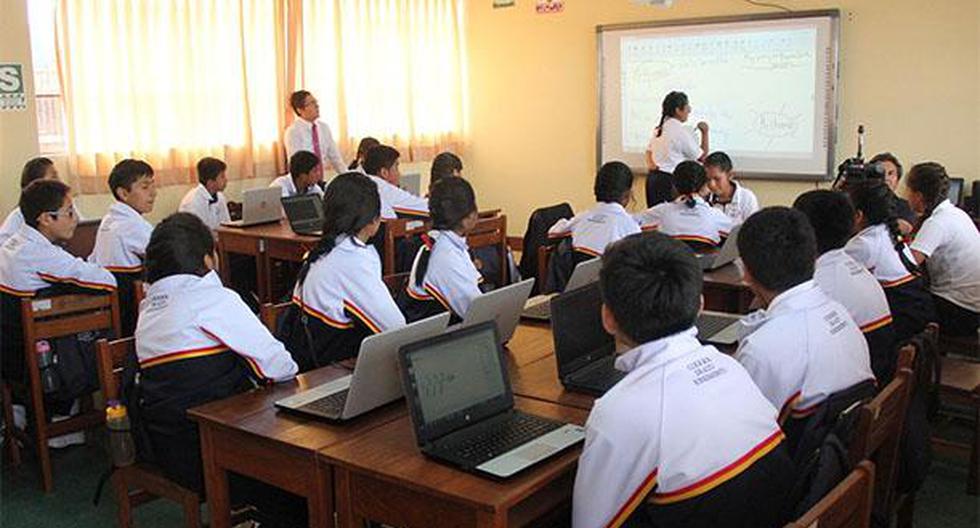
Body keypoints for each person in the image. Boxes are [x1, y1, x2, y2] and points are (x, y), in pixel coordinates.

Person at [572, 232, 793, 528]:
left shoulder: (617, 412)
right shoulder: (731, 366)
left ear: (608, 318)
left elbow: (590, 524)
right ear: (700, 305)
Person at [136, 213, 303, 525]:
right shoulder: (210, 298)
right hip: (216, 454)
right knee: (302, 475)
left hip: (166, 448)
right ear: (207, 259)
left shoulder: (148, 307)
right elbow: (280, 367)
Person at [734, 208, 874, 442]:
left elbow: (739, 434)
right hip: (836, 457)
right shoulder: (839, 311)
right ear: (814, 257)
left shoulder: (761, 350)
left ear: (746, 272)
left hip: (794, 468)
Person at [280, 173, 406, 370]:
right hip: (326, 374)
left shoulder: (330, 249)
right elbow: (395, 328)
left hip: (312, 360)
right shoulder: (352, 259)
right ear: (373, 220)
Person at [0, 180, 117, 384]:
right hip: (35, 362)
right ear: (46, 218)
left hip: (11, 351)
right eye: (69, 212)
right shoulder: (40, 253)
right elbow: (107, 282)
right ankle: (73, 405)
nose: (76, 219)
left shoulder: (15, 242)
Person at [793, 190, 897, 382]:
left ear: (803, 232)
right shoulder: (852, 265)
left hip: (857, 380)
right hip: (877, 368)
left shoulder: (818, 282)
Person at [844, 180, 935, 343]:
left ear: (858, 215)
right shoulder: (888, 232)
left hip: (901, 318)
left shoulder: (863, 244)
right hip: (917, 309)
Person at [906, 162, 980, 337]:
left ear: (918, 195)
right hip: (972, 307)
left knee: (900, 305)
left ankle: (906, 359)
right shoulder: (956, 213)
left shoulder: (937, 222)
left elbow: (907, 265)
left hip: (959, 312)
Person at [89, 159, 157, 335]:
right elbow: (166, 252)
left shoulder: (110, 219)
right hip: (130, 306)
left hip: (113, 301)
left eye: (153, 185)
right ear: (123, 193)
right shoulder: (130, 225)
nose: (153, 193)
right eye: (145, 187)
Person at [401, 177, 482, 322]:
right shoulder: (445, 255)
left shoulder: (445, 242)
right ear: (468, 216)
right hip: (432, 339)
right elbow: (476, 313)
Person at [547, 161, 640, 258]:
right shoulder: (631, 227)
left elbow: (552, 233)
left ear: (596, 189)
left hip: (577, 272)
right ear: (627, 195)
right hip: (609, 272)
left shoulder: (582, 217)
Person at [635, 160, 733, 249]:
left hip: (668, 267)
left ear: (674, 186)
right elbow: (737, 235)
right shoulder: (715, 215)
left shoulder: (661, 212)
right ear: (704, 186)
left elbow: (629, 222)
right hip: (702, 268)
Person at [644, 91, 708, 207]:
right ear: (678, 110)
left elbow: (648, 151)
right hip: (670, 182)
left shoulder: (660, 128)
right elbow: (702, 157)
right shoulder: (679, 130)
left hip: (653, 179)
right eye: (687, 106)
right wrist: (705, 133)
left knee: (654, 219)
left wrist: (653, 166)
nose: (689, 110)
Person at [0, 157, 79, 245]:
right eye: (54, 177)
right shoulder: (18, 215)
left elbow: (82, 228)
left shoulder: (64, 205)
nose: (59, 181)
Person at [283, 90, 346, 174]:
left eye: (316, 102)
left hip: (321, 180)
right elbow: (296, 165)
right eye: (312, 103)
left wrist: (348, 177)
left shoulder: (324, 128)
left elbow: (336, 158)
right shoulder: (293, 132)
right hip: (304, 182)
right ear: (299, 110)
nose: (317, 106)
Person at [362, 145, 429, 219]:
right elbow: (424, 207)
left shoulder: (361, 182)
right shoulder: (384, 188)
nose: (399, 174)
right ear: (384, 172)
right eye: (396, 167)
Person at [705, 151, 760, 224]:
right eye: (708, 179)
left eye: (717, 179)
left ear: (730, 175)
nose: (712, 184)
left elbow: (752, 228)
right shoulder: (704, 199)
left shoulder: (747, 198)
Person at [178, 157, 231, 231]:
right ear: (210, 183)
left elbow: (227, 226)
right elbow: (197, 234)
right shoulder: (192, 202)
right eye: (222, 177)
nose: (226, 180)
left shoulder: (220, 197)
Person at [868, 152, 916, 233]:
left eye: (890, 173)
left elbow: (905, 227)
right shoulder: (859, 202)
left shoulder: (905, 206)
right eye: (881, 173)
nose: (886, 178)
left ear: (897, 180)